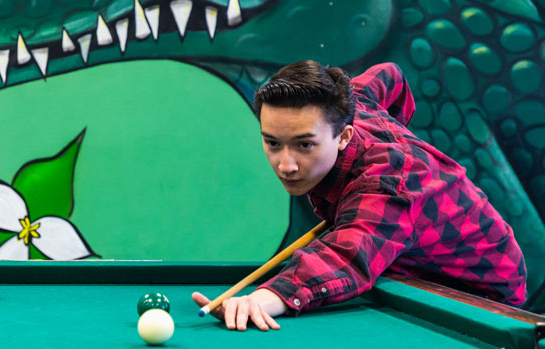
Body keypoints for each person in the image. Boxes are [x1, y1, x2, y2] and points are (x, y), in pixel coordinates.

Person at [192, 61, 527, 331]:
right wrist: (399, 132)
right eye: (273, 143)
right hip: (415, 269)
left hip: (482, 295)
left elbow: (346, 255)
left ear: (343, 136)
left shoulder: (387, 185)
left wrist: (270, 295)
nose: (286, 164)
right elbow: (390, 75)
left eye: (305, 145)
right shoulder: (354, 100)